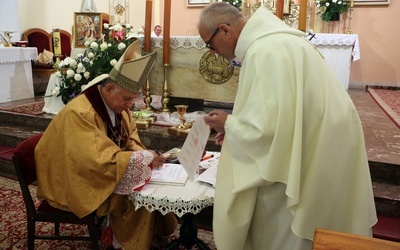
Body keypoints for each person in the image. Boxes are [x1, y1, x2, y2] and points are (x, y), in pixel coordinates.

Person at [198, 3, 377, 250]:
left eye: (210, 45)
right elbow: (282, 115)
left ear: (225, 30)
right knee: (324, 222)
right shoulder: (282, 41)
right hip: (328, 140)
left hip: (312, 147)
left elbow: (266, 132)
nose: (214, 53)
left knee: (289, 225)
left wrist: (230, 123)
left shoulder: (263, 51)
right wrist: (234, 129)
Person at [34, 40, 178, 249]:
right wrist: (143, 159)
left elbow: (130, 139)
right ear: (109, 88)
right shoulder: (81, 113)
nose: (130, 106)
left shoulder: (118, 106)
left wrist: (143, 155)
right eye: (127, 99)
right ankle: (130, 244)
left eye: (132, 100)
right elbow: (95, 160)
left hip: (93, 169)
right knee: (140, 197)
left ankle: (151, 234)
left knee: (150, 185)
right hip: (71, 177)